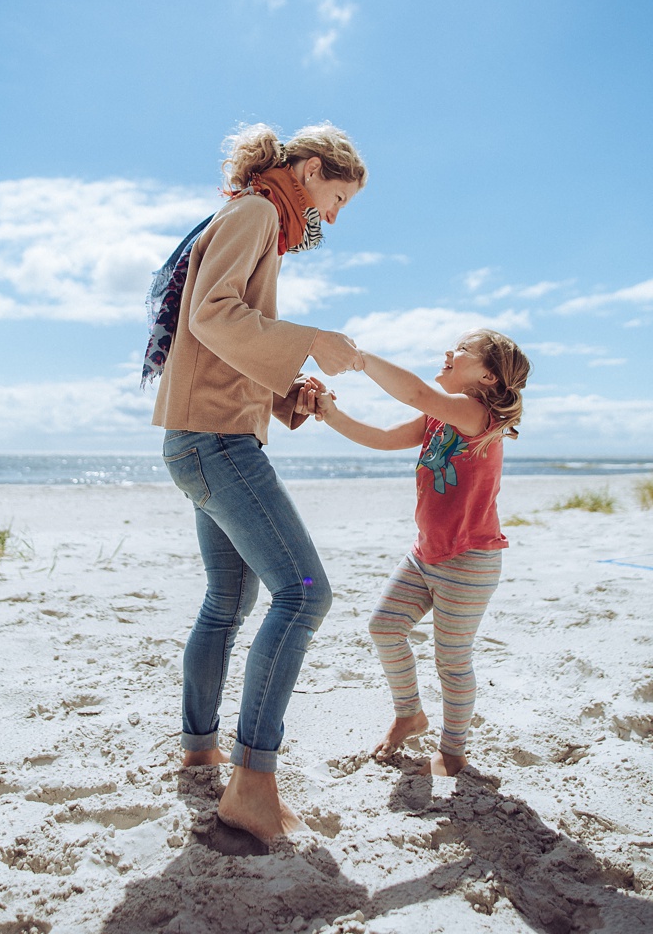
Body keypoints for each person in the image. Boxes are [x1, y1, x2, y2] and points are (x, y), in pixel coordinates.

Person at [149, 121, 366, 842]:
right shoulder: (256, 213)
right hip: (215, 442)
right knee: (306, 595)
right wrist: (310, 339)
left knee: (228, 599)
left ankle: (199, 749)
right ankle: (251, 783)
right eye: (336, 198)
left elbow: (217, 341)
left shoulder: (249, 214)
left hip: (202, 434)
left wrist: (285, 392)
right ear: (307, 171)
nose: (333, 217)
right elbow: (212, 317)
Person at [314, 329, 530, 775]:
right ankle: (409, 714)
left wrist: (359, 359)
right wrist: (330, 413)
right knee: (384, 627)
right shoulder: (438, 419)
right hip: (425, 553)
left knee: (451, 660)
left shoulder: (476, 413)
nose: (450, 352)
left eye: (464, 350)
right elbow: (380, 437)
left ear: (488, 376)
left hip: (468, 559)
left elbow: (415, 391)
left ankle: (452, 752)